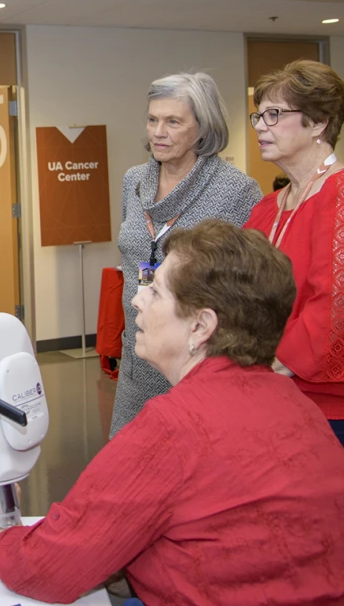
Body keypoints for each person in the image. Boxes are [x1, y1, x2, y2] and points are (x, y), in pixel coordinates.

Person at [0, 220, 344, 606]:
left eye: (154, 290)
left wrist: (3, 528)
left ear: (201, 327)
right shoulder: (296, 404)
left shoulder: (174, 427)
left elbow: (49, 569)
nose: (135, 300)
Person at [245, 60, 344, 489]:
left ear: (318, 122)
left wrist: (257, 365)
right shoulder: (268, 207)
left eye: (274, 114)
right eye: (258, 115)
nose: (261, 125)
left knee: (329, 534)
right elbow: (237, 293)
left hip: (333, 408)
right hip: (274, 393)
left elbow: (336, 308)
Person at [110, 72, 261, 436]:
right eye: (152, 119)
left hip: (199, 364)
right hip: (138, 355)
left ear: (203, 129)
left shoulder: (237, 191)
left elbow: (248, 291)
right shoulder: (135, 181)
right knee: (128, 469)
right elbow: (133, 256)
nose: (158, 131)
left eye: (173, 121)